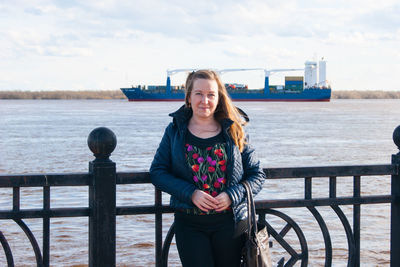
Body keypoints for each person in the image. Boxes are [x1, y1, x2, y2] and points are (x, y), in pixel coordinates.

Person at [150, 70, 266, 267]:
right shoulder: (175, 131)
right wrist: (191, 193)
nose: (205, 100)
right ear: (188, 97)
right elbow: (158, 172)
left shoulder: (234, 130)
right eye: (199, 94)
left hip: (230, 224)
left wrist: (232, 195)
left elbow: (257, 175)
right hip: (189, 224)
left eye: (211, 94)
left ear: (219, 97)